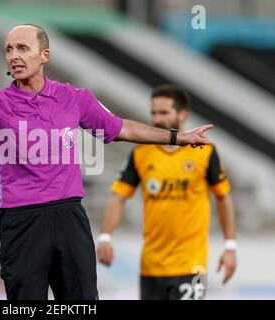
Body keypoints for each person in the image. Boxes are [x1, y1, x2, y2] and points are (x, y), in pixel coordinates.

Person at [0, 24, 214, 300]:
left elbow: (121, 129)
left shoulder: (73, 97)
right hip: (20, 221)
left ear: (45, 56)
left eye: (23, 48)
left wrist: (177, 138)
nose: (14, 55)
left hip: (69, 218)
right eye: (9, 49)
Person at [96, 85, 237, 300]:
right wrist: (105, 237)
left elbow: (223, 197)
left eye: (164, 112)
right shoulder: (141, 154)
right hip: (151, 267)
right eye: (153, 112)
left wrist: (230, 246)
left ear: (182, 114)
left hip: (192, 265)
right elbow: (118, 197)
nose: (157, 119)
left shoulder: (205, 153)